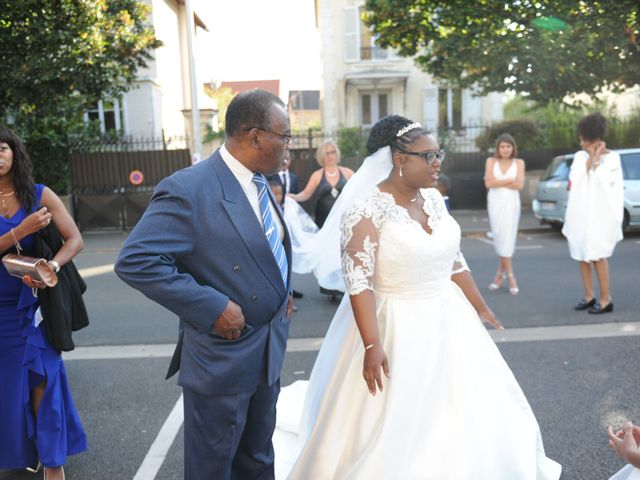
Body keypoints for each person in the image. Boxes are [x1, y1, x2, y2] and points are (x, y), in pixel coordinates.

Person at [272, 115, 561, 479]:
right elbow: (359, 283)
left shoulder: (435, 201)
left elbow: (454, 260)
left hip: (449, 319)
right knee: (398, 417)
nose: (437, 162)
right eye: (428, 156)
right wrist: (372, 345)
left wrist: (480, 305)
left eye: (438, 154)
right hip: (394, 324)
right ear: (399, 160)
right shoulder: (364, 211)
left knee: (466, 407)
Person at [115, 89, 294, 480]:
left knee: (258, 459)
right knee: (213, 466)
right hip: (223, 359)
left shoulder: (263, 183)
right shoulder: (189, 188)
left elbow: (268, 248)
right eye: (286, 135)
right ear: (255, 136)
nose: (289, 144)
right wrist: (211, 306)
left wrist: (281, 294)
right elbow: (136, 261)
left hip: (267, 350)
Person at [0, 126, 86, 480]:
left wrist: (52, 265)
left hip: (34, 307)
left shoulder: (38, 194)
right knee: (6, 388)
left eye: (2, 148)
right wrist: (22, 230)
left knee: (44, 379)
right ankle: (17, 453)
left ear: (14, 153)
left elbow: (74, 239)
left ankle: (53, 464)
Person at [562, 112, 624, 314]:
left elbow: (606, 183)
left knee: (598, 256)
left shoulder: (613, 158)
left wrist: (597, 158)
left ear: (591, 137)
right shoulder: (580, 157)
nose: (579, 142)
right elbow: (576, 179)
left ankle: (606, 299)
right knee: (581, 255)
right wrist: (590, 157)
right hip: (581, 213)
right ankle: (589, 296)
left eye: (582, 138)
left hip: (600, 215)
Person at [484, 133, 525, 295]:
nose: (505, 149)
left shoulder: (519, 162)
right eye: (502, 146)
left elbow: (519, 185)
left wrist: (497, 182)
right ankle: (502, 274)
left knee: (508, 237)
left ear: (513, 148)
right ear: (498, 148)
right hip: (495, 203)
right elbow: (488, 183)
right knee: (500, 236)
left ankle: (507, 275)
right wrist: (509, 181)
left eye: (508, 146)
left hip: (511, 204)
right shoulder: (491, 161)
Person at [288, 140, 354, 228]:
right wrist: (293, 197)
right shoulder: (317, 175)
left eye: (332, 152)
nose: (330, 156)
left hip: (343, 219)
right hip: (323, 221)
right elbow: (305, 194)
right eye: (327, 153)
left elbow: (359, 189)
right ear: (322, 156)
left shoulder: (347, 172)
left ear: (336, 153)